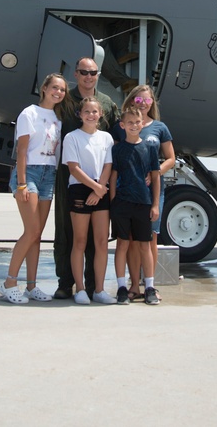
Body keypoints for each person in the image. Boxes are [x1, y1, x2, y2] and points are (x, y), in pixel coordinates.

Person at [52, 57, 121, 299]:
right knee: (66, 230)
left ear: (98, 74)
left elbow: (118, 137)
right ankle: (65, 282)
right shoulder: (65, 100)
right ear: (76, 73)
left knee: (97, 237)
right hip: (68, 177)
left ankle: (94, 285)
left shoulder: (107, 103)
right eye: (83, 72)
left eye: (92, 72)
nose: (88, 76)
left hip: (99, 181)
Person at [0, 73, 67, 304]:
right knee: (31, 231)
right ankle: (9, 283)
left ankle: (31, 286)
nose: (58, 92)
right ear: (44, 88)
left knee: (37, 235)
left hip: (49, 174)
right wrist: (21, 183)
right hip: (30, 173)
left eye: (62, 90)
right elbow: (21, 150)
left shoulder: (58, 119)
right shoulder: (29, 113)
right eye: (55, 88)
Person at [115, 85, 175, 301]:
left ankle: (151, 284)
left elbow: (170, 158)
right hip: (129, 192)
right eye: (138, 100)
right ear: (132, 101)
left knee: (150, 239)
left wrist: (155, 172)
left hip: (152, 191)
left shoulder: (160, 127)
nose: (143, 104)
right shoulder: (125, 125)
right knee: (130, 240)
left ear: (152, 103)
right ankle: (133, 285)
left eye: (147, 100)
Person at [61, 97, 116, 305]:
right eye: (87, 111)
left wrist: (100, 189)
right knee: (80, 241)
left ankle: (99, 290)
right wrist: (96, 188)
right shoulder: (72, 137)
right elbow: (73, 167)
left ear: (100, 114)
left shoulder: (107, 138)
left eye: (94, 111)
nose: (91, 115)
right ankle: (81, 289)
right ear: (80, 114)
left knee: (102, 242)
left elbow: (108, 166)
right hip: (79, 189)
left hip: (100, 189)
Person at [109, 105, 161, 305]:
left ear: (142, 124)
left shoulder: (149, 148)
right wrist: (113, 201)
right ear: (122, 125)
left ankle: (149, 287)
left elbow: (155, 178)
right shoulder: (118, 149)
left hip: (143, 203)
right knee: (122, 244)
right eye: (129, 122)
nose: (133, 125)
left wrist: (155, 204)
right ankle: (122, 287)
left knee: (144, 245)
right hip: (122, 203)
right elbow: (113, 176)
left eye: (137, 122)